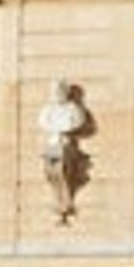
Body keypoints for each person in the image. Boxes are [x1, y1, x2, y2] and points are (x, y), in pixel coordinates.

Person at [37, 80, 86, 223]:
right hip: (52, 144)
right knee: (51, 173)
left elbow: (77, 122)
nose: (57, 94)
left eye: (60, 91)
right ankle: (61, 203)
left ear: (66, 92)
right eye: (54, 91)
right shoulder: (47, 110)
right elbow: (43, 122)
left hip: (66, 144)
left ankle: (65, 204)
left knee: (63, 172)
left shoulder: (74, 110)